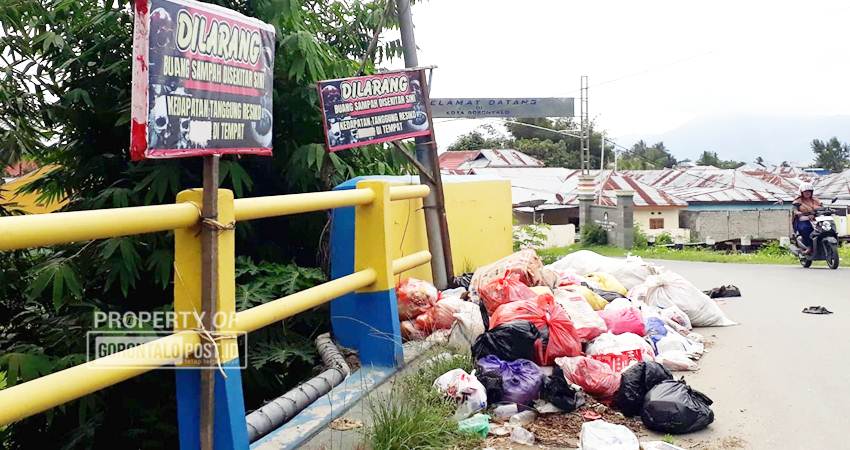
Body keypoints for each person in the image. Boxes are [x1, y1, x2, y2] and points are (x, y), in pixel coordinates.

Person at [793, 182, 822, 253]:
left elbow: (822, 207)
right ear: (801, 192)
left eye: (809, 191)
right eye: (805, 191)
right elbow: (794, 210)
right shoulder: (798, 201)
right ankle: (809, 246)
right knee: (806, 228)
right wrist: (798, 212)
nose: (807, 193)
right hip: (803, 220)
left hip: (816, 219)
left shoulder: (816, 200)